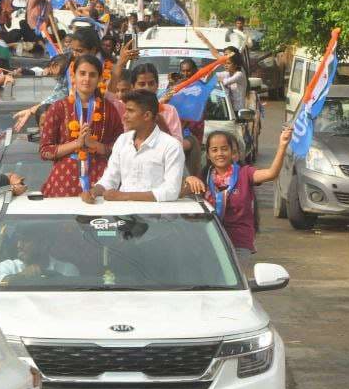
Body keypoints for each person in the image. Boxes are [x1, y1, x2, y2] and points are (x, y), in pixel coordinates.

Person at [185, 128, 293, 269]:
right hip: (210, 241)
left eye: (224, 149)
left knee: (232, 282)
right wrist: (188, 178)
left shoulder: (245, 173)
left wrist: (282, 145)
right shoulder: (203, 178)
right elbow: (176, 192)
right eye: (215, 150)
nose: (220, 154)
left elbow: (271, 174)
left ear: (233, 153)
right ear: (209, 155)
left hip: (239, 242)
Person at [38, 54, 124, 197]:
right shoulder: (58, 108)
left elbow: (121, 148)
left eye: (92, 75)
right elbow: (45, 151)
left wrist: (95, 145)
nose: (87, 79)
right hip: (63, 182)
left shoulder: (109, 109)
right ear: (73, 76)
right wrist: (77, 144)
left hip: (100, 182)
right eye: (82, 73)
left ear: (99, 79)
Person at [83, 89, 185, 204]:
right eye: (126, 110)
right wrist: (93, 192)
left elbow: (171, 191)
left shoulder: (171, 146)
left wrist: (124, 196)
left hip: (155, 217)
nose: (125, 116)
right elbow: (110, 178)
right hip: (123, 214)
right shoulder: (122, 140)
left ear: (147, 115)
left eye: (130, 111)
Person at [0, 229, 79, 282]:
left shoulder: (67, 270)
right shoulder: (8, 266)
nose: (19, 245)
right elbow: (2, 284)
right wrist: (22, 275)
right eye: (18, 240)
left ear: (44, 244)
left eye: (25, 240)